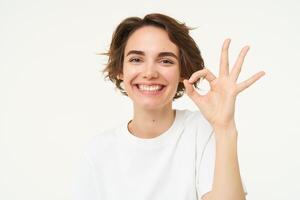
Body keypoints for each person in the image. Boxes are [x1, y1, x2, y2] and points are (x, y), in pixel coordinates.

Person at [72, 13, 265, 200]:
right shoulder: (97, 151)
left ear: (183, 71)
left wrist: (224, 127)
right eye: (136, 59)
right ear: (120, 70)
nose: (149, 73)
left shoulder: (201, 130)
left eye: (165, 61)